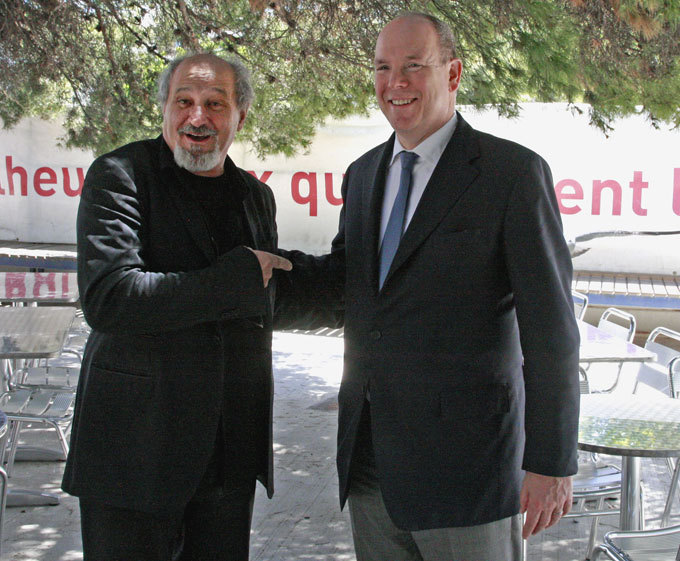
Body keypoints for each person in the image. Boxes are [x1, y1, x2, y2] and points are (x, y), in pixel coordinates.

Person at [329, 12, 581, 561]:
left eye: (414, 66)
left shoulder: (511, 174)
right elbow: (346, 283)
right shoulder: (363, 175)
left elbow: (552, 330)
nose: (395, 82)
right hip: (372, 464)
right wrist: (260, 278)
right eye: (383, 67)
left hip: (469, 474)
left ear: (454, 73)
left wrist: (551, 461)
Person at [62, 53, 294, 561]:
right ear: (164, 108)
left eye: (215, 103)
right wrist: (232, 280)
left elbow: (261, 298)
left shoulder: (256, 196)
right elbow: (110, 298)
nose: (198, 117)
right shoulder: (120, 175)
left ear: (241, 116)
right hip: (134, 457)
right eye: (184, 101)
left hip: (229, 462)